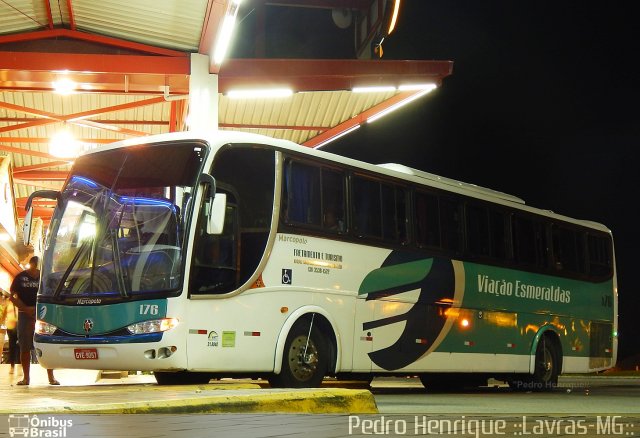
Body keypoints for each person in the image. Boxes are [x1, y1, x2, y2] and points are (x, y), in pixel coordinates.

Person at [9, 256, 59, 386]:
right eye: (34, 267)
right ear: (30, 265)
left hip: (43, 315)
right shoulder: (20, 278)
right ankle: (26, 378)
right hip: (25, 315)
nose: (36, 270)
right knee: (25, 346)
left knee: (46, 344)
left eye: (38, 268)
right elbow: (12, 295)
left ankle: (51, 377)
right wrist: (25, 308)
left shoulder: (46, 278)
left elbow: (53, 295)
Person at [1, 292, 19, 373]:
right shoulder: (9, 302)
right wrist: (2, 321)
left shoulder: (21, 302)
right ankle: (12, 366)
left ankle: (20, 365)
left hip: (20, 326)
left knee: (20, 346)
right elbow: (4, 314)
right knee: (12, 346)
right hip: (11, 327)